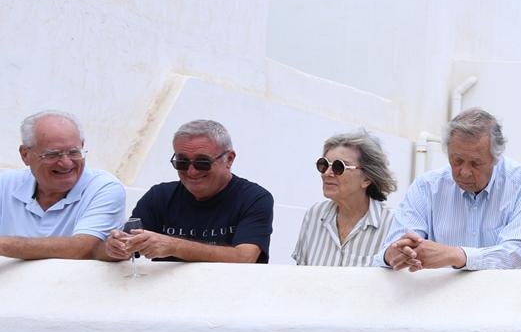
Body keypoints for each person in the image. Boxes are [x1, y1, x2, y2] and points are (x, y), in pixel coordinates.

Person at [382, 109, 521, 271]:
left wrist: (458, 255)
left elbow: (518, 255)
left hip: (507, 295)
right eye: (457, 160)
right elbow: (393, 247)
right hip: (438, 295)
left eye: (475, 163)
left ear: (496, 158)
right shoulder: (426, 187)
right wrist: (397, 253)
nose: (465, 172)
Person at [107, 118, 273, 263]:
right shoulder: (159, 196)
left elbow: (244, 258)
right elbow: (125, 248)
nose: (192, 171)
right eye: (182, 162)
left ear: (229, 159)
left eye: (202, 162)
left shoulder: (254, 198)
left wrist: (174, 246)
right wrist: (113, 248)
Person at [2, 111, 125, 261]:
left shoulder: (103, 187)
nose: (66, 163)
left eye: (74, 152)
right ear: (25, 155)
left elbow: (83, 249)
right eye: (52, 154)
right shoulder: (5, 183)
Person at [291, 130, 399, 267]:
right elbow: (301, 275)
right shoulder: (314, 215)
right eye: (324, 164)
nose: (327, 173)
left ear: (367, 178)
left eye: (338, 167)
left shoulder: (393, 224)